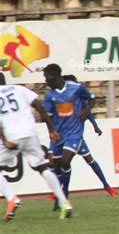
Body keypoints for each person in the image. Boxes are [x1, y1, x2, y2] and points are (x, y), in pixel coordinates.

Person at [43, 64, 117, 211]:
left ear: (55, 76)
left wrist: (89, 115)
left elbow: (91, 101)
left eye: (47, 77)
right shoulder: (50, 96)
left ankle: (67, 195)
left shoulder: (76, 90)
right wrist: (51, 132)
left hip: (75, 135)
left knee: (72, 161)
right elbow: (48, 117)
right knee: (55, 166)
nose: (45, 81)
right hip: (58, 135)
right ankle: (59, 195)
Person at [0, 73, 72, 221]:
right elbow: (39, 107)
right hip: (29, 133)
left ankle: (12, 198)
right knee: (42, 168)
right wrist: (51, 129)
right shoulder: (19, 89)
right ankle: (65, 202)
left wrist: (5, 140)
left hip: (11, 135)